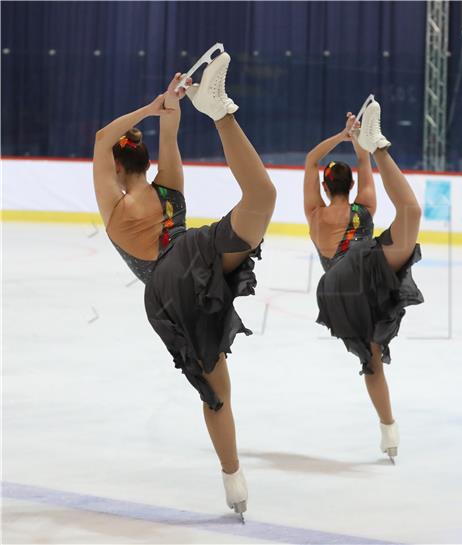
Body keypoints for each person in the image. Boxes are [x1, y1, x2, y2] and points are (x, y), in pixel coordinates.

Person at [92, 53, 276, 519]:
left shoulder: (115, 204)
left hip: (172, 289)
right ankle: (220, 113)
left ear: (116, 167)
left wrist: (152, 106)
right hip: (195, 261)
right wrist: (169, 104)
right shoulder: (166, 186)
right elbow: (167, 129)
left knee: (216, 391)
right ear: (146, 160)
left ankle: (233, 477)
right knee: (262, 197)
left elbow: (101, 138)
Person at [303, 98, 424, 462]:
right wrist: (360, 144)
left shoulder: (314, 213)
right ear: (351, 184)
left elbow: (310, 160)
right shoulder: (364, 206)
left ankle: (389, 428)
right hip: (366, 272)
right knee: (412, 213)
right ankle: (388, 430)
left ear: (325, 188)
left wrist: (340, 136)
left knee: (371, 360)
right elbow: (363, 163)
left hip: (341, 293)